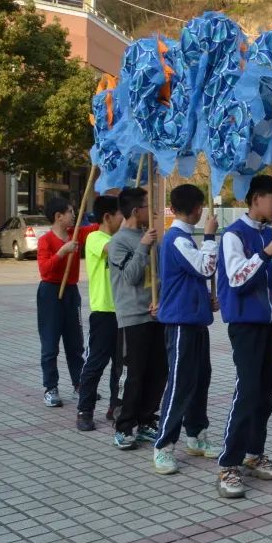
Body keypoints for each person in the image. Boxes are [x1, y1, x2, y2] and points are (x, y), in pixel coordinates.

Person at [216, 175, 272, 499]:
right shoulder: (233, 236)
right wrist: (265, 253)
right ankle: (229, 463)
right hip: (246, 325)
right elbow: (236, 280)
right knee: (248, 390)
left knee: (266, 392)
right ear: (256, 199)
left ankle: (254, 453)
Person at [153, 184, 221, 474]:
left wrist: (206, 299)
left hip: (195, 320)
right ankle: (163, 445)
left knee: (200, 379)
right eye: (201, 207)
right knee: (180, 382)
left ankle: (196, 435)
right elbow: (205, 268)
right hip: (181, 323)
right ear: (196, 209)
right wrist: (209, 236)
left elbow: (192, 278)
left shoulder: (183, 239)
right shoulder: (177, 239)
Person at [108, 187, 165, 451]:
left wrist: (159, 299)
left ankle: (146, 420)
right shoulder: (119, 241)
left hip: (154, 315)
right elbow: (130, 277)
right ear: (135, 211)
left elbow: (156, 277)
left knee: (158, 372)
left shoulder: (148, 237)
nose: (151, 212)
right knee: (134, 374)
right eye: (146, 207)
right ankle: (124, 426)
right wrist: (143, 247)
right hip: (132, 318)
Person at [75, 196, 124, 431]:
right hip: (104, 312)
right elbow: (112, 250)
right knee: (96, 362)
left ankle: (116, 406)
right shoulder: (96, 238)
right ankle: (85, 410)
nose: (122, 220)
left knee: (121, 365)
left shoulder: (117, 238)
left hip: (123, 312)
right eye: (120, 215)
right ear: (107, 217)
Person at [35, 197, 87, 407]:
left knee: (75, 343)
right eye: (70, 212)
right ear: (59, 216)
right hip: (50, 292)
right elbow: (45, 269)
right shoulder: (46, 240)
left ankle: (79, 384)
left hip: (71, 292)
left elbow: (96, 228)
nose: (74, 215)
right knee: (50, 343)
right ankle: (51, 387)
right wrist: (62, 252)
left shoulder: (76, 233)